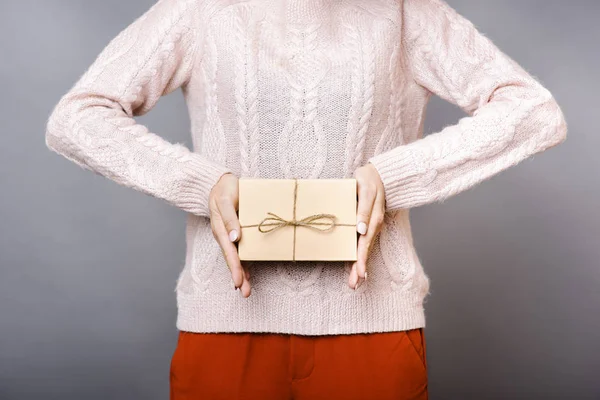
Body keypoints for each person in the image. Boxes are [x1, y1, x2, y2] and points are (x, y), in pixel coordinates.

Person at [45, 0, 567, 398]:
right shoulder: (200, 9)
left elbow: (532, 111)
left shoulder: (405, 12)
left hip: (371, 324)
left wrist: (395, 174)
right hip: (228, 322)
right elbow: (78, 118)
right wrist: (197, 181)